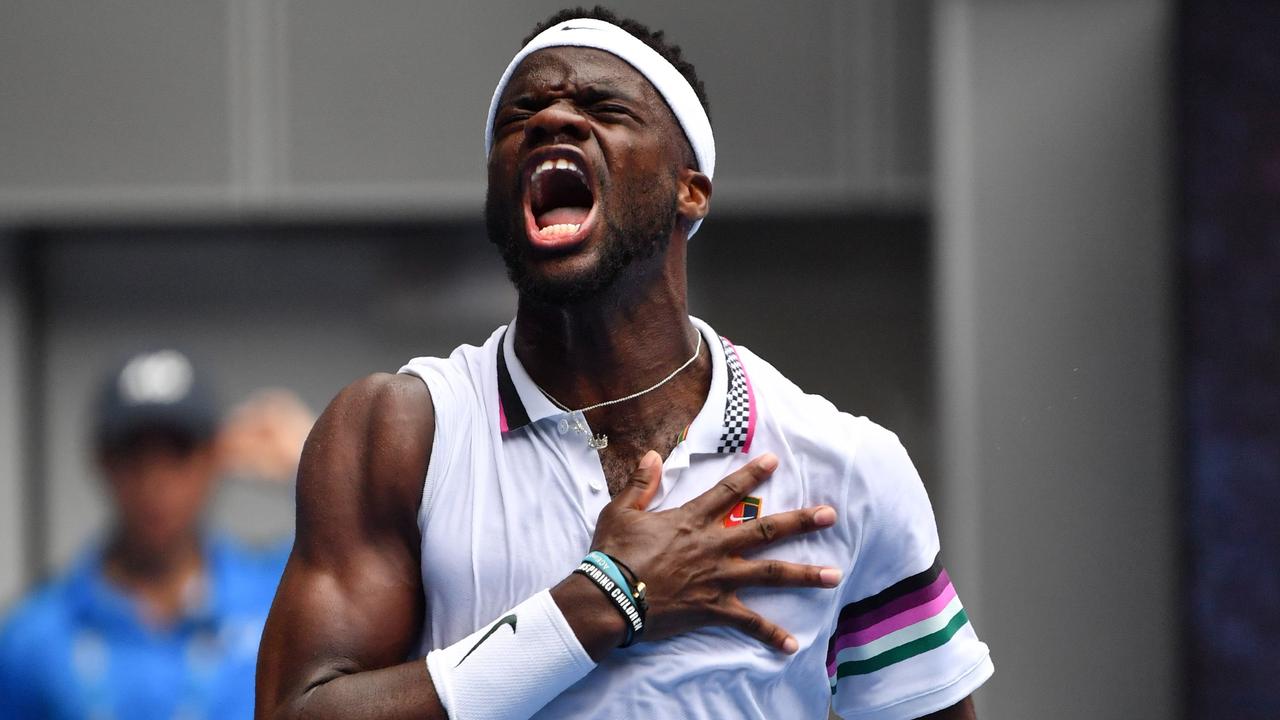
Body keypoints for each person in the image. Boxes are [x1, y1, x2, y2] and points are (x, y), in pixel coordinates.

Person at [256, 8, 993, 720]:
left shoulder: (845, 465)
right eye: (521, 116)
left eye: (603, 107)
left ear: (690, 187)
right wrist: (604, 598)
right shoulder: (399, 430)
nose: (551, 119)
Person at [0, 350, 305, 719]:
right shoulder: (33, 637)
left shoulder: (278, 598)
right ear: (102, 461)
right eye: (134, 453)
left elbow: (388, 581)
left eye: (178, 450)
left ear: (214, 457)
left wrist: (313, 463)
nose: (155, 481)